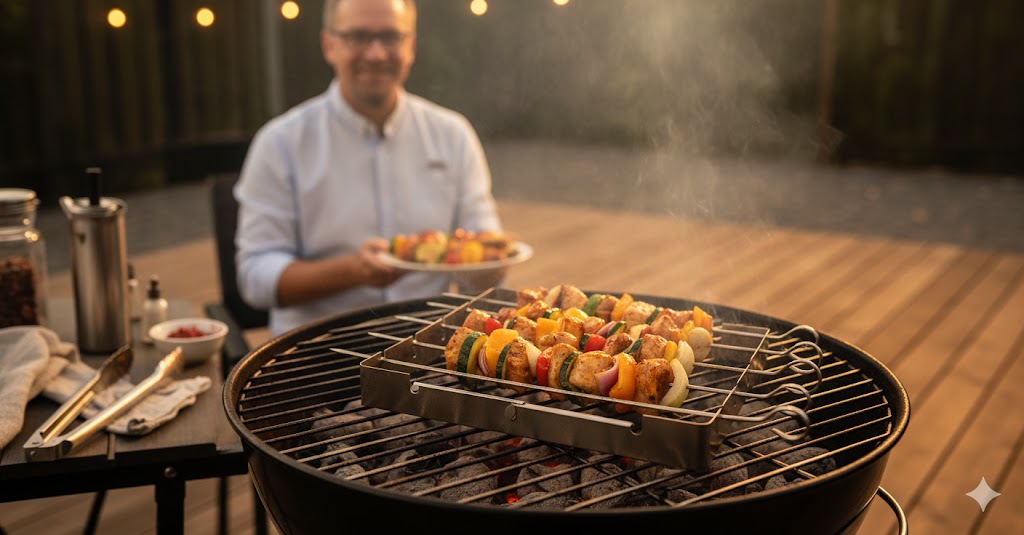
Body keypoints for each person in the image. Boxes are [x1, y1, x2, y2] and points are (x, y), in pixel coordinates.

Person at [234, 0, 504, 336]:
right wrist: (353, 271)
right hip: (315, 352)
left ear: (411, 45)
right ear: (328, 45)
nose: (376, 54)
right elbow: (255, 278)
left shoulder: (453, 135)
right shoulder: (281, 143)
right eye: (358, 37)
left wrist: (490, 264)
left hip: (426, 345)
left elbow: (489, 258)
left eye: (391, 37)